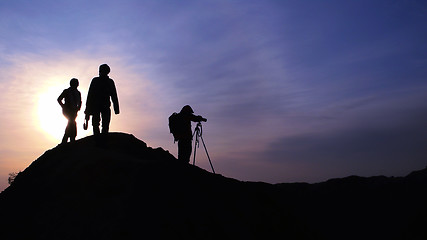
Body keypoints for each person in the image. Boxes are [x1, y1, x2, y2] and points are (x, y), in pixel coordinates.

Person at [84, 64, 120, 135]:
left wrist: (116, 108)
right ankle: (98, 138)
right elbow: (90, 96)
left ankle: (102, 138)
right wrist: (87, 109)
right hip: (97, 106)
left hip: (104, 106)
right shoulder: (96, 80)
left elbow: (114, 96)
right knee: (96, 123)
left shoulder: (109, 82)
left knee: (104, 124)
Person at [57, 78, 82, 144]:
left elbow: (80, 101)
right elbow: (59, 99)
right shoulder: (66, 91)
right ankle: (70, 138)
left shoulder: (78, 93)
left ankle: (67, 139)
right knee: (72, 122)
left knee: (71, 123)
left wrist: (78, 108)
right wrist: (63, 106)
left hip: (74, 111)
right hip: (67, 111)